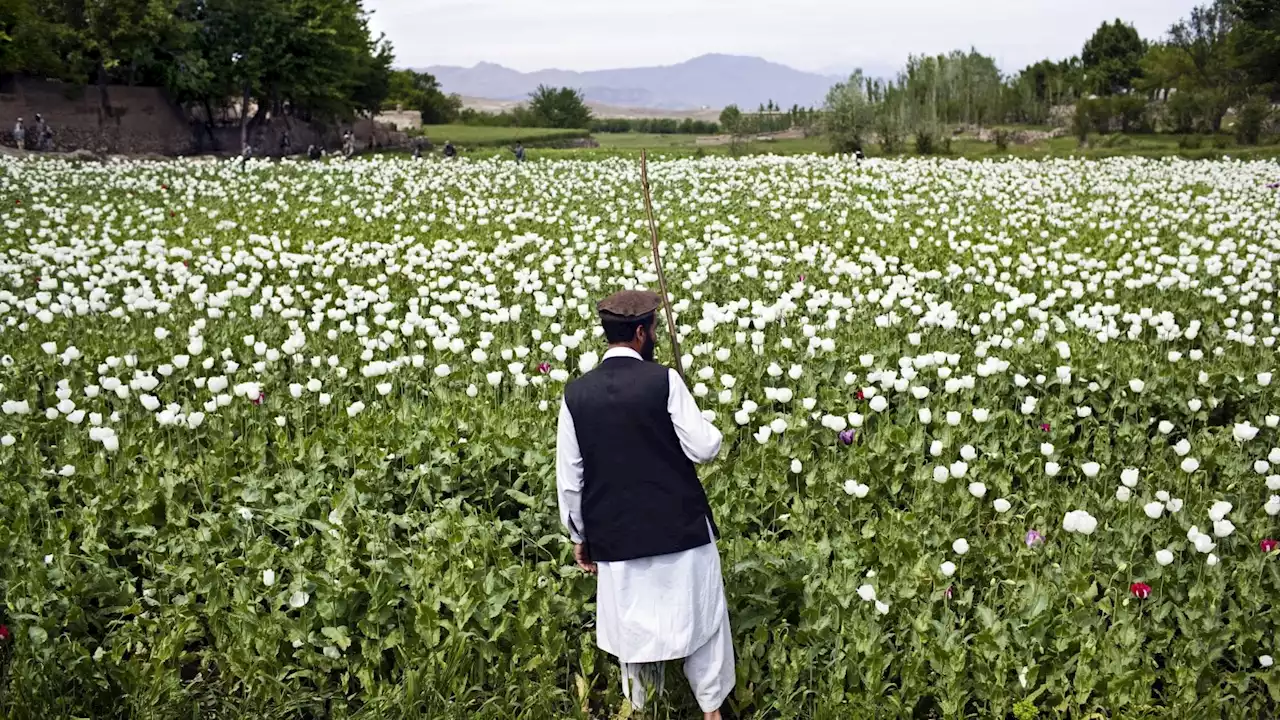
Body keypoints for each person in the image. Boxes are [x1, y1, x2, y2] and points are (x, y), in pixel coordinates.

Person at [556, 290, 733, 720]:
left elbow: (570, 478)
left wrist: (580, 536)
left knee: (633, 634)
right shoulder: (665, 381)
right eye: (652, 330)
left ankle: (642, 709)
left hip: (616, 538)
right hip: (681, 529)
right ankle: (711, 711)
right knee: (704, 624)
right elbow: (705, 447)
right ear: (641, 333)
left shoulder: (576, 395)